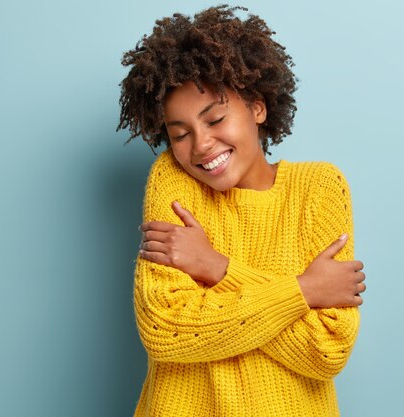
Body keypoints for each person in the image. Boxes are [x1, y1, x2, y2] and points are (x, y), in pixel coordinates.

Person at [116, 5, 366, 417]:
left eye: (215, 119)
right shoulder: (175, 179)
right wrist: (302, 291)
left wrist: (215, 267)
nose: (200, 146)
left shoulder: (319, 188)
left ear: (257, 108)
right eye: (180, 134)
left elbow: (327, 350)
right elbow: (165, 329)